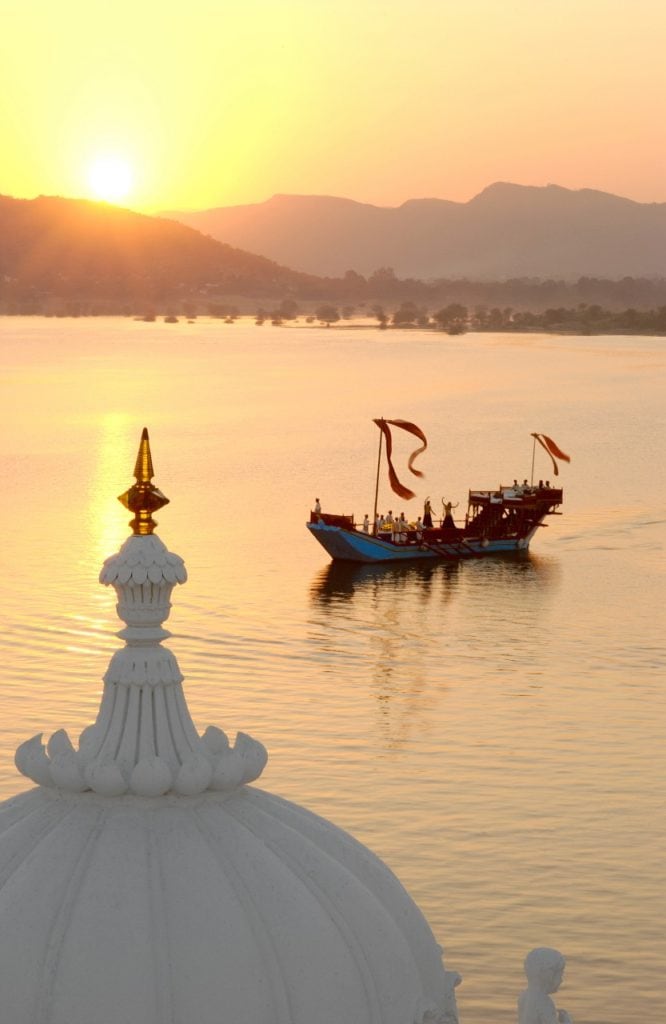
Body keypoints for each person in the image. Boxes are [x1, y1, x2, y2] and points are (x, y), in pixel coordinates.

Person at [518, 947, 572, 1024]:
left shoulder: (524, 996)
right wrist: (567, 1021)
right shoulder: (544, 1002)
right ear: (548, 976)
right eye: (560, 975)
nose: (561, 980)